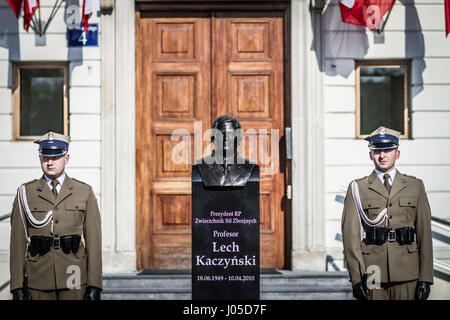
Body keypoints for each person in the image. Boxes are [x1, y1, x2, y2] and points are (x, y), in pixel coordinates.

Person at [341, 126, 433, 300]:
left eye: (388, 150)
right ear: (370, 155)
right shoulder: (357, 188)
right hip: (373, 271)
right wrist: (356, 278)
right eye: (377, 151)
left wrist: (426, 277)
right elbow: (350, 237)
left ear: (397, 153)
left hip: (408, 271)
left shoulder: (415, 186)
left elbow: (425, 235)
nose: (382, 156)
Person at [9, 131, 102, 300]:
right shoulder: (26, 193)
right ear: (39, 158)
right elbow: (17, 242)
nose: (50, 162)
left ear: (66, 158)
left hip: (73, 277)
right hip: (38, 280)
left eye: (56, 157)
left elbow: (94, 241)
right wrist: (17, 286)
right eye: (45, 157)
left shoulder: (84, 192)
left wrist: (94, 284)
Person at [196, 115, 256, 187]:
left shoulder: (250, 167)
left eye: (231, 134)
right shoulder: (201, 166)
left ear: (239, 139)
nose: (225, 138)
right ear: (213, 138)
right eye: (220, 134)